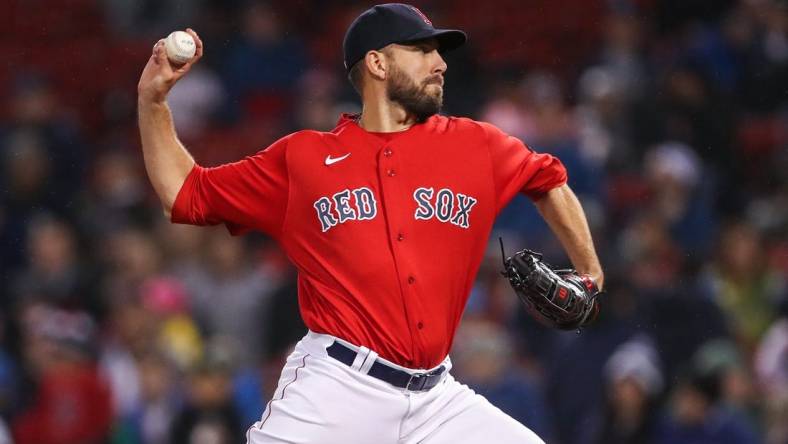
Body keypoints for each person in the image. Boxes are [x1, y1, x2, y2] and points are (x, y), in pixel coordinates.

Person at [137, 4, 603, 443]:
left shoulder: (476, 144)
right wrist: (152, 101)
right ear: (377, 64)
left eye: (438, 51)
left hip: (437, 397)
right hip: (338, 386)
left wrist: (590, 274)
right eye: (421, 50)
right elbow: (184, 194)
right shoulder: (303, 158)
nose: (439, 62)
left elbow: (550, 182)